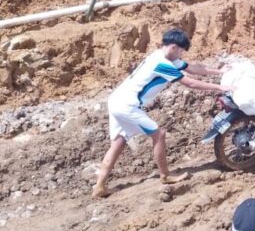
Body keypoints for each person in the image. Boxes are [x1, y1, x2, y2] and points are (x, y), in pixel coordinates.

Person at [93, 28, 224, 198]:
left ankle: (99, 186)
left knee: (118, 142)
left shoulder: (160, 56)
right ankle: (165, 175)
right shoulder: (162, 64)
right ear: (174, 47)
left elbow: (192, 68)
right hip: (127, 105)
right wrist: (219, 87)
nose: (182, 54)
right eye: (181, 50)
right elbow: (190, 83)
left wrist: (218, 72)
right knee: (159, 134)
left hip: (116, 100)